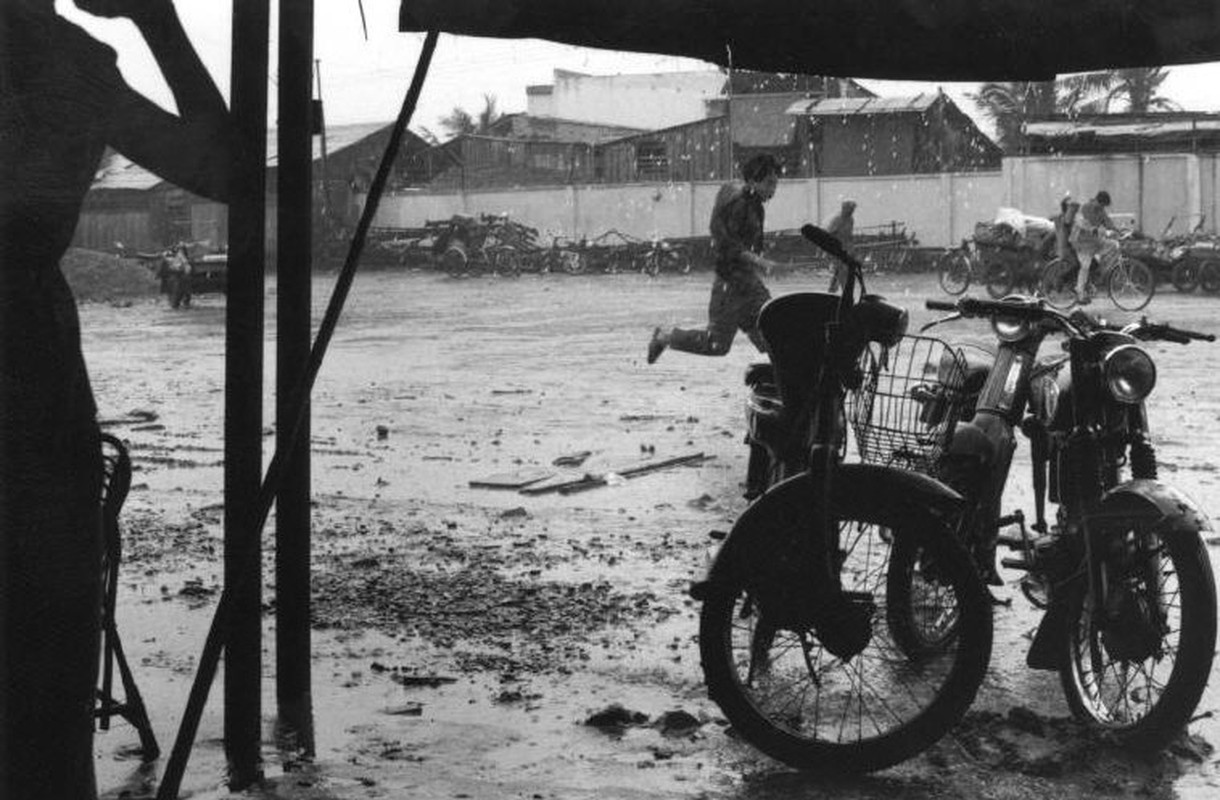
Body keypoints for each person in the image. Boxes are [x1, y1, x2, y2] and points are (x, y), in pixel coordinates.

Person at [0, 2, 231, 797]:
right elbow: (224, 167)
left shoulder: (76, 65)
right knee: (45, 672)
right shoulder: (76, 64)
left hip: (34, 387)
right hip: (34, 375)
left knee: (46, 662)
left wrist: (155, 18)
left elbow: (225, 170)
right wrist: (156, 20)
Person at [647, 154, 783, 363]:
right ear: (754, 181)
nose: (773, 190)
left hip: (748, 283)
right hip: (730, 285)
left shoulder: (755, 204)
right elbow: (727, 244)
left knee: (774, 336)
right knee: (716, 344)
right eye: (769, 183)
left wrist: (759, 263)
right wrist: (760, 262)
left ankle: (786, 387)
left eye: (775, 184)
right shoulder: (739, 204)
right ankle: (665, 337)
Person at [1070, 190, 1120, 303]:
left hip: (1094, 242)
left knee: (1114, 245)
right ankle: (1080, 293)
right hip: (1081, 242)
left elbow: (1108, 222)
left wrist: (1118, 231)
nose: (1103, 207)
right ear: (1098, 201)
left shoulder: (1101, 210)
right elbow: (1081, 222)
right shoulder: (1086, 207)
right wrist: (1093, 229)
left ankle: (1099, 271)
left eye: (1104, 206)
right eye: (1102, 204)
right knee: (1085, 266)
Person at [824, 199, 857, 291]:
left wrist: (852, 248)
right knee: (841, 270)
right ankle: (844, 290)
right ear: (845, 208)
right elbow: (829, 234)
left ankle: (832, 289)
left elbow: (849, 235)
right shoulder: (837, 219)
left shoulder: (850, 220)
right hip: (836, 248)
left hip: (845, 248)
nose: (852, 211)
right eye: (850, 209)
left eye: (853, 209)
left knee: (841, 270)